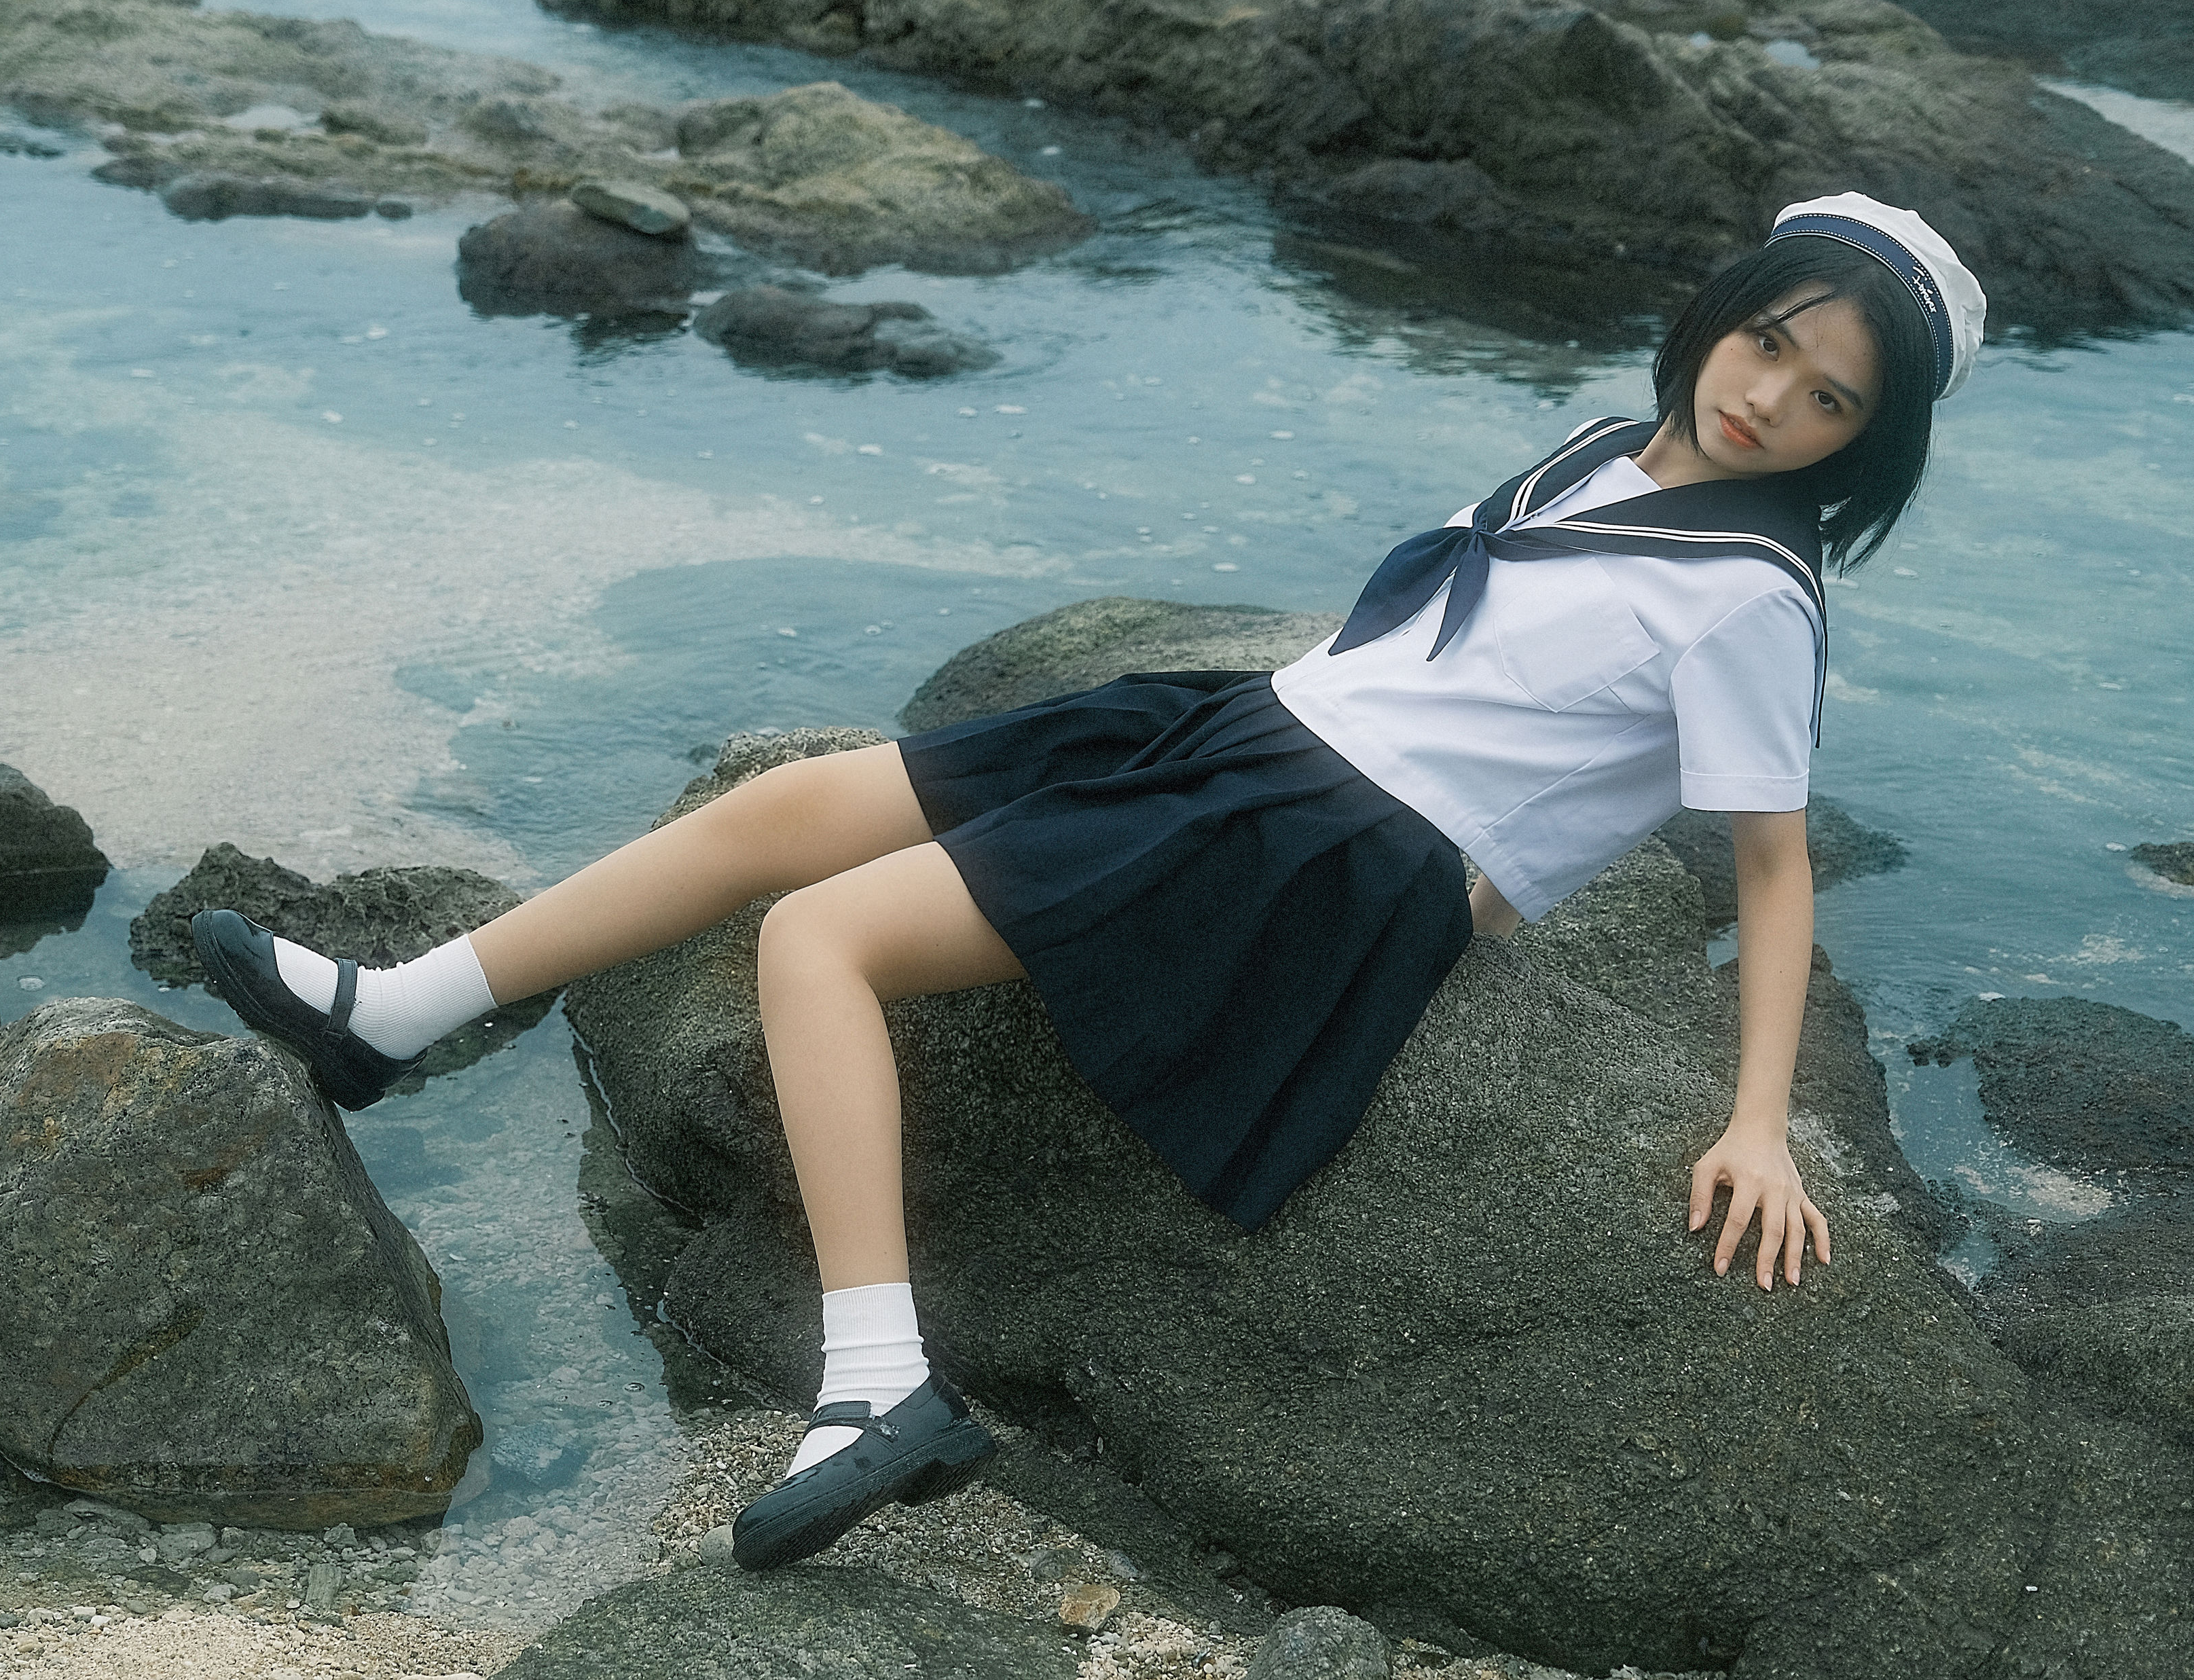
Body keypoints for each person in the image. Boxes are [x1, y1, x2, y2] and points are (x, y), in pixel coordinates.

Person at [189, 192, 1984, 1573]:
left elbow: (1768, 862)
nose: (1770, 402)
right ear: (1717, 317)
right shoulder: (1618, 447)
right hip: (1251, 742)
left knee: (819, 941)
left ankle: (877, 1378)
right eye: (1764, 346)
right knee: (795, 805)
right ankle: (401, 1010)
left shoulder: (1751, 594)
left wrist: (1755, 1117)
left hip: (1323, 855)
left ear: (1867, 443)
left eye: (1828, 400)